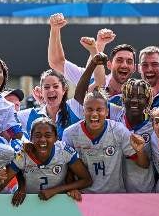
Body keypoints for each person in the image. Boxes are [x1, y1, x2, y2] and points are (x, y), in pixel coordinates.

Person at [62, 54, 149, 193]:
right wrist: (71, 188)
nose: (94, 114)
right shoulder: (70, 134)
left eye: (99, 110)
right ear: (83, 111)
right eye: (89, 109)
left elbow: (144, 165)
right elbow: (66, 168)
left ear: (107, 111)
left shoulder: (118, 130)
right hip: (84, 199)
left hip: (114, 198)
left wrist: (139, 151)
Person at [3, 117, 92, 205]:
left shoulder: (63, 151)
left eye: (48, 135)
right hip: (28, 202)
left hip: (57, 202)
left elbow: (87, 180)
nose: (42, 139)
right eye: (37, 135)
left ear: (56, 138)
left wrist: (55, 190)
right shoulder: (23, 153)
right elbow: (3, 182)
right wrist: (21, 187)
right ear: (30, 138)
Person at [46, 13, 114, 89]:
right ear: (109, 64)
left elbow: (99, 83)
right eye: (119, 60)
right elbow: (56, 61)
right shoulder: (89, 78)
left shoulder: (128, 88)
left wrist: (97, 47)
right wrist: (55, 29)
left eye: (129, 61)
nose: (124, 65)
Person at [19, 69, 81, 139]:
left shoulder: (74, 108)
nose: (51, 90)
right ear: (41, 91)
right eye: (46, 87)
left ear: (64, 90)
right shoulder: (28, 115)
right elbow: (7, 115)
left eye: (56, 86)